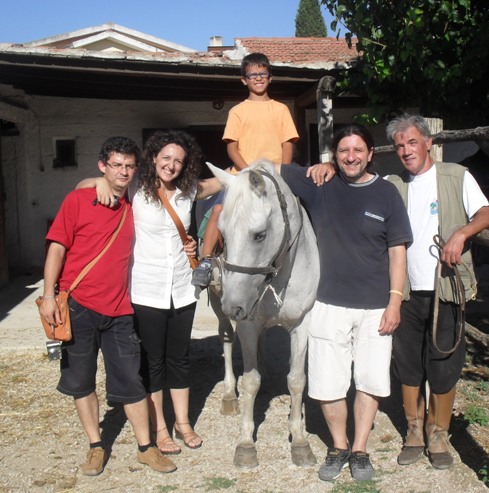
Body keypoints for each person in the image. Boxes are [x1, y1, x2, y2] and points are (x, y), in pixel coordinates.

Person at [278, 125, 413, 482]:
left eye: (357, 150)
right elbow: (273, 166)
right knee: (327, 383)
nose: (350, 156)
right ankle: (338, 447)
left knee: (369, 381)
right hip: (328, 304)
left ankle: (360, 449)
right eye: (342, 151)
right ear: (334, 155)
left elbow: (397, 253)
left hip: (375, 307)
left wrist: (395, 301)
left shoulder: (387, 194)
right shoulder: (320, 186)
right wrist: (319, 167)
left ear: (371, 153)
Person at [39, 136, 177, 476]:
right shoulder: (79, 199)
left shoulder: (135, 202)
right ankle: (96, 446)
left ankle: (146, 447)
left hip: (119, 310)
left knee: (131, 381)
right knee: (82, 381)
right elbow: (56, 248)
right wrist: (46, 295)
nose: (124, 172)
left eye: (130, 166)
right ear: (103, 166)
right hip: (78, 307)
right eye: (116, 165)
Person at [77, 130, 221, 456]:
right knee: (152, 361)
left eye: (179, 161)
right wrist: (98, 182)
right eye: (166, 157)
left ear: (186, 166)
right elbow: (80, 187)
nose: (171, 165)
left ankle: (183, 423)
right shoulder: (136, 191)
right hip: (146, 288)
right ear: (153, 158)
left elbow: (218, 183)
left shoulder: (187, 191)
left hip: (182, 287)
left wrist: (258, 165)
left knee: (180, 358)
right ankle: (160, 428)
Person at [385, 114, 489, 470]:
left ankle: (438, 433)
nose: (406, 150)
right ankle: (414, 431)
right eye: (400, 145)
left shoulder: (456, 176)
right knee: (407, 363)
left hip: (445, 288)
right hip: (404, 290)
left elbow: (486, 214)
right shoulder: (393, 184)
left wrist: (462, 234)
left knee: (444, 362)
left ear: (428, 142)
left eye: (412, 142)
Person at [192, 52, 299, 287]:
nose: (258, 78)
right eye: (253, 74)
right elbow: (232, 150)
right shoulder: (237, 111)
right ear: (244, 80)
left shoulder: (281, 109)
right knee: (219, 210)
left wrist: (286, 173)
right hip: (241, 174)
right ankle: (206, 260)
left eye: (262, 73)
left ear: (270, 77)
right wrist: (249, 173)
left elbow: (287, 145)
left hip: (275, 175)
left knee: (301, 210)